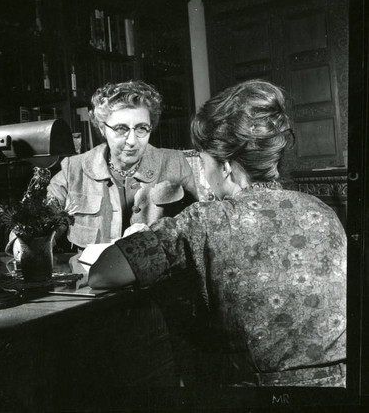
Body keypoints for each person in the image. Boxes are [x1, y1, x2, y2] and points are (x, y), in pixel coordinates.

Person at [89, 79, 347, 388]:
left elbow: (103, 274)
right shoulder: (323, 211)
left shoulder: (206, 220)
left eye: (203, 160)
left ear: (224, 166)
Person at [47, 80, 199, 250]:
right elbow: (40, 222)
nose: (132, 141)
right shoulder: (73, 169)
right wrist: (23, 242)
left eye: (142, 128)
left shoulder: (176, 163)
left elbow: (196, 232)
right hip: (93, 274)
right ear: (102, 128)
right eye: (121, 129)